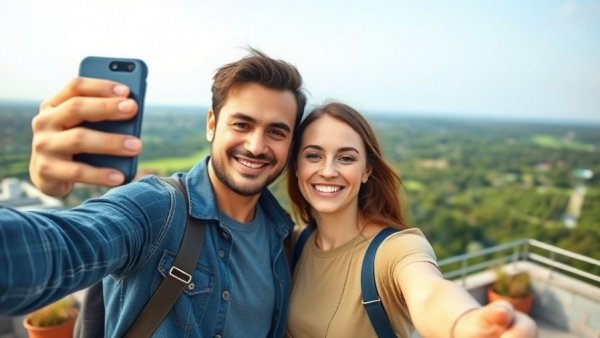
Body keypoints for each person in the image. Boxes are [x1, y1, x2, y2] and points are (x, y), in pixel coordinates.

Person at [0, 49, 306, 337]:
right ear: (212, 125)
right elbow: (65, 245)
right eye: (241, 124)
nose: (256, 146)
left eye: (276, 132)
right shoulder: (159, 208)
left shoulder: (280, 237)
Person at [285, 102, 537, 337]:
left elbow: (428, 292)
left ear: (366, 171)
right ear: (296, 166)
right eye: (313, 156)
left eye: (346, 158)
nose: (328, 171)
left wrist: (464, 323)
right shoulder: (294, 243)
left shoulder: (394, 250)